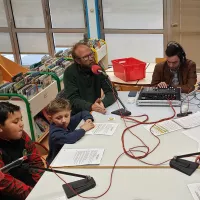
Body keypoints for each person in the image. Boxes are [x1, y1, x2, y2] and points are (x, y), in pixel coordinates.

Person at [0, 102, 44, 200]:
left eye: (21, 119)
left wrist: (41, 184)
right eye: (15, 122)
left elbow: (35, 160)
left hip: (29, 183)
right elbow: (3, 181)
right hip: (11, 192)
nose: (22, 124)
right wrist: (32, 193)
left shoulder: (22, 135)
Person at [63, 42, 116, 115]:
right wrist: (91, 106)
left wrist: (102, 104)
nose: (91, 58)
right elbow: (73, 100)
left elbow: (111, 92)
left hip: (96, 111)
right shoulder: (69, 73)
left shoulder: (97, 68)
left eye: (91, 54)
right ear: (77, 60)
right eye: (86, 57)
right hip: (79, 114)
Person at [46, 98, 94, 164]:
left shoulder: (68, 121)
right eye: (58, 118)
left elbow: (83, 113)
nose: (64, 120)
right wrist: (83, 129)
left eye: (66, 116)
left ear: (70, 113)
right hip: (56, 163)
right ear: (50, 118)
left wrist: (88, 119)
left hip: (68, 154)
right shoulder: (54, 133)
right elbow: (70, 138)